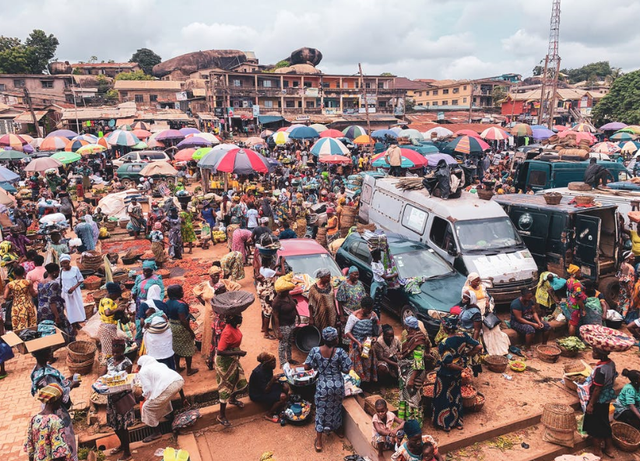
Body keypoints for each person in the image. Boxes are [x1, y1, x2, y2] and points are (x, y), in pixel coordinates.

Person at [304, 327, 353, 452]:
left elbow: (306, 366)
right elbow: (347, 369)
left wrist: (317, 365)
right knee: (336, 408)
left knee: (321, 411)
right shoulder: (340, 352)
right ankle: (339, 430)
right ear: (335, 339)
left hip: (323, 386)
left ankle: (319, 441)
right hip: (337, 385)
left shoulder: (315, 350)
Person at [433, 315, 482, 432]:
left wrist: (460, 368)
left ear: (445, 328)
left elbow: (448, 363)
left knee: (443, 396)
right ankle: (458, 422)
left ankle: (446, 424)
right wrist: (466, 356)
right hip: (457, 374)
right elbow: (478, 346)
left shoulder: (445, 343)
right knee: (456, 396)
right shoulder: (463, 336)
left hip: (446, 374)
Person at [30, 348, 78, 461]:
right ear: (42, 355)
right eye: (48, 351)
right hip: (58, 411)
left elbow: (31, 447)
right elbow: (58, 395)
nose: (51, 353)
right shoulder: (56, 421)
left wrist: (66, 381)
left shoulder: (37, 370)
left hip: (50, 406)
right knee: (66, 440)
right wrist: (70, 386)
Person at [193, 265, 240, 366]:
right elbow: (196, 292)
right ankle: (210, 358)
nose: (217, 277)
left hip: (221, 316)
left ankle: (220, 357)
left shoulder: (223, 284)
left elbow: (236, 286)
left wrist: (229, 298)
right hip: (209, 315)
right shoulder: (205, 285)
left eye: (218, 275)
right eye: (214, 275)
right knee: (211, 336)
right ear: (210, 276)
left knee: (222, 337)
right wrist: (205, 304)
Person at [136, 355, 187, 443]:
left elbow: (148, 389)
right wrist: (183, 398)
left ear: (141, 365)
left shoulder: (143, 371)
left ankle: (156, 432)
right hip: (179, 381)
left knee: (147, 407)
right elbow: (172, 379)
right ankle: (171, 420)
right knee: (164, 397)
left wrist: (141, 398)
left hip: (169, 387)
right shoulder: (160, 365)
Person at [100, 339, 134, 461]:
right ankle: (122, 445)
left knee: (123, 426)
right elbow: (102, 376)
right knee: (114, 425)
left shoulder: (127, 363)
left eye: (118, 352)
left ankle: (127, 452)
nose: (115, 355)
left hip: (121, 398)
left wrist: (112, 381)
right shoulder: (109, 361)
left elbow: (126, 381)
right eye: (114, 352)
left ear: (123, 350)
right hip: (111, 398)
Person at [461, 273, 509, 356]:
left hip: (486, 310)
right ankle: (490, 349)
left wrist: (487, 302)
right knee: (486, 328)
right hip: (477, 311)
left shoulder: (482, 287)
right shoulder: (466, 289)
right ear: (471, 281)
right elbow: (465, 301)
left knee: (494, 327)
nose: (478, 282)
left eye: (479, 280)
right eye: (476, 280)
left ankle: (500, 348)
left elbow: (486, 296)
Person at [581, 347, 617, 458]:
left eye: (595, 351)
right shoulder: (611, 364)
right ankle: (609, 448)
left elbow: (597, 389)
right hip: (606, 398)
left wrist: (591, 404)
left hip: (597, 400)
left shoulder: (600, 370)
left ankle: (597, 450)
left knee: (595, 424)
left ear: (600, 354)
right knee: (604, 421)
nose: (593, 353)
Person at [215, 314, 248, 427]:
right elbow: (220, 351)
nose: (241, 319)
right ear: (232, 318)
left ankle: (233, 398)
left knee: (239, 380)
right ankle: (221, 415)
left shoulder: (235, 327)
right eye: (239, 317)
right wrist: (238, 352)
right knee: (225, 388)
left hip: (233, 359)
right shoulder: (227, 331)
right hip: (225, 363)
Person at [24, 384, 71, 461]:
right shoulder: (56, 422)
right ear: (56, 400)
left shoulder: (34, 419)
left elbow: (30, 448)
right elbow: (59, 454)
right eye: (61, 398)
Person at [399, 316, 430, 423]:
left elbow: (419, 361)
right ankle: (405, 421)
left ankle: (415, 424)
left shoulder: (418, 341)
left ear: (408, 327)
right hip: (406, 371)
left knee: (413, 397)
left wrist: (412, 378)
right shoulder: (412, 337)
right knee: (405, 395)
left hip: (414, 373)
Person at [345, 296, 380, 384]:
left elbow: (377, 326)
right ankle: (357, 383)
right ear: (363, 308)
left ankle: (367, 382)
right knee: (357, 365)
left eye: (371, 309)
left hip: (368, 343)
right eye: (368, 309)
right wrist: (357, 342)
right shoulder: (354, 316)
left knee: (367, 363)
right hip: (356, 344)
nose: (370, 311)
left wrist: (375, 337)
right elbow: (347, 332)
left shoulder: (373, 315)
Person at [164, 285, 199, 376]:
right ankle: (189, 370)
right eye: (181, 291)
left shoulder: (168, 302)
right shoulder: (181, 305)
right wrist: (190, 331)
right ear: (177, 293)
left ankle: (178, 367)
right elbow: (183, 320)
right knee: (188, 347)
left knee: (176, 347)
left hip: (172, 326)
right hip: (181, 327)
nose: (183, 292)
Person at [37, 263, 75, 343]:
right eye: (58, 271)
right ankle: (69, 344)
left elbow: (39, 297)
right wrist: (57, 316)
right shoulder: (54, 284)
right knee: (65, 328)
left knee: (47, 330)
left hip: (41, 309)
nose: (58, 273)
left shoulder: (41, 282)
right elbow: (52, 301)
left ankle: (48, 348)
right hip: (52, 310)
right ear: (54, 272)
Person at [249, 352, 289, 422]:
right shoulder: (258, 373)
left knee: (285, 387)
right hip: (257, 393)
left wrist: (278, 381)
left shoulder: (268, 367)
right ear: (266, 363)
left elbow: (269, 380)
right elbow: (265, 390)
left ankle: (279, 407)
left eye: (275, 361)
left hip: (266, 386)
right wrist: (272, 380)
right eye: (272, 362)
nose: (274, 363)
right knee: (283, 397)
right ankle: (269, 414)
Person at [510, 288, 551, 355]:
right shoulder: (516, 304)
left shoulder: (530, 301)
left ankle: (544, 345)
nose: (529, 299)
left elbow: (534, 312)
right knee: (530, 330)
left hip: (529, 319)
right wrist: (533, 324)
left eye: (530, 297)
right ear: (523, 296)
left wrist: (539, 322)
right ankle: (527, 348)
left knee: (547, 326)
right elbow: (519, 318)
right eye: (528, 298)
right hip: (517, 322)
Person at [272, 274, 300, 367]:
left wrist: (298, 316)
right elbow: (275, 316)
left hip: (292, 323)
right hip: (284, 325)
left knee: (289, 342)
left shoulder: (288, 296)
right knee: (283, 344)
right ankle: (283, 362)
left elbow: (293, 306)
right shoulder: (276, 302)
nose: (288, 291)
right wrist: (278, 331)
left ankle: (289, 358)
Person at [256, 255, 282, 340]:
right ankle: (266, 334)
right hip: (267, 292)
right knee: (268, 312)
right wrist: (281, 263)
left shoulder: (262, 268)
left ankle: (264, 327)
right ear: (269, 262)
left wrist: (275, 267)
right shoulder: (268, 271)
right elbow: (283, 273)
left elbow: (269, 272)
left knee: (264, 309)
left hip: (261, 290)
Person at [4, 265, 37, 330]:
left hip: (16, 306)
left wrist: (12, 295)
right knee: (30, 324)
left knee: (18, 324)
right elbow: (34, 294)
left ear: (14, 273)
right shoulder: (28, 282)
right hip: (27, 305)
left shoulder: (10, 284)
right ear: (24, 273)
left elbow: (5, 297)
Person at [98, 282, 125, 361]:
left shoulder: (104, 299)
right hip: (107, 328)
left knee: (110, 350)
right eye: (117, 295)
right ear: (112, 293)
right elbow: (107, 313)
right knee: (109, 352)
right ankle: (107, 368)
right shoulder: (108, 301)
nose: (117, 297)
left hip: (107, 327)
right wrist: (118, 309)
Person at [566, 264, 587, 336]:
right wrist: (583, 309)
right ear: (574, 273)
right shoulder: (576, 284)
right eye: (579, 272)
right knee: (573, 324)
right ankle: (571, 338)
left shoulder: (569, 281)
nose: (580, 273)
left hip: (569, 303)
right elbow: (578, 298)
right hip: (575, 305)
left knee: (570, 320)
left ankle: (569, 336)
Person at [618, 251, 635, 319]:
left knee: (621, 303)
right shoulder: (627, 266)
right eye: (632, 257)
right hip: (626, 289)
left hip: (624, 289)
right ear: (627, 258)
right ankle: (622, 318)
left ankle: (619, 316)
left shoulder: (623, 264)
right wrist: (628, 291)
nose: (633, 258)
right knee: (626, 303)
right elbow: (623, 279)